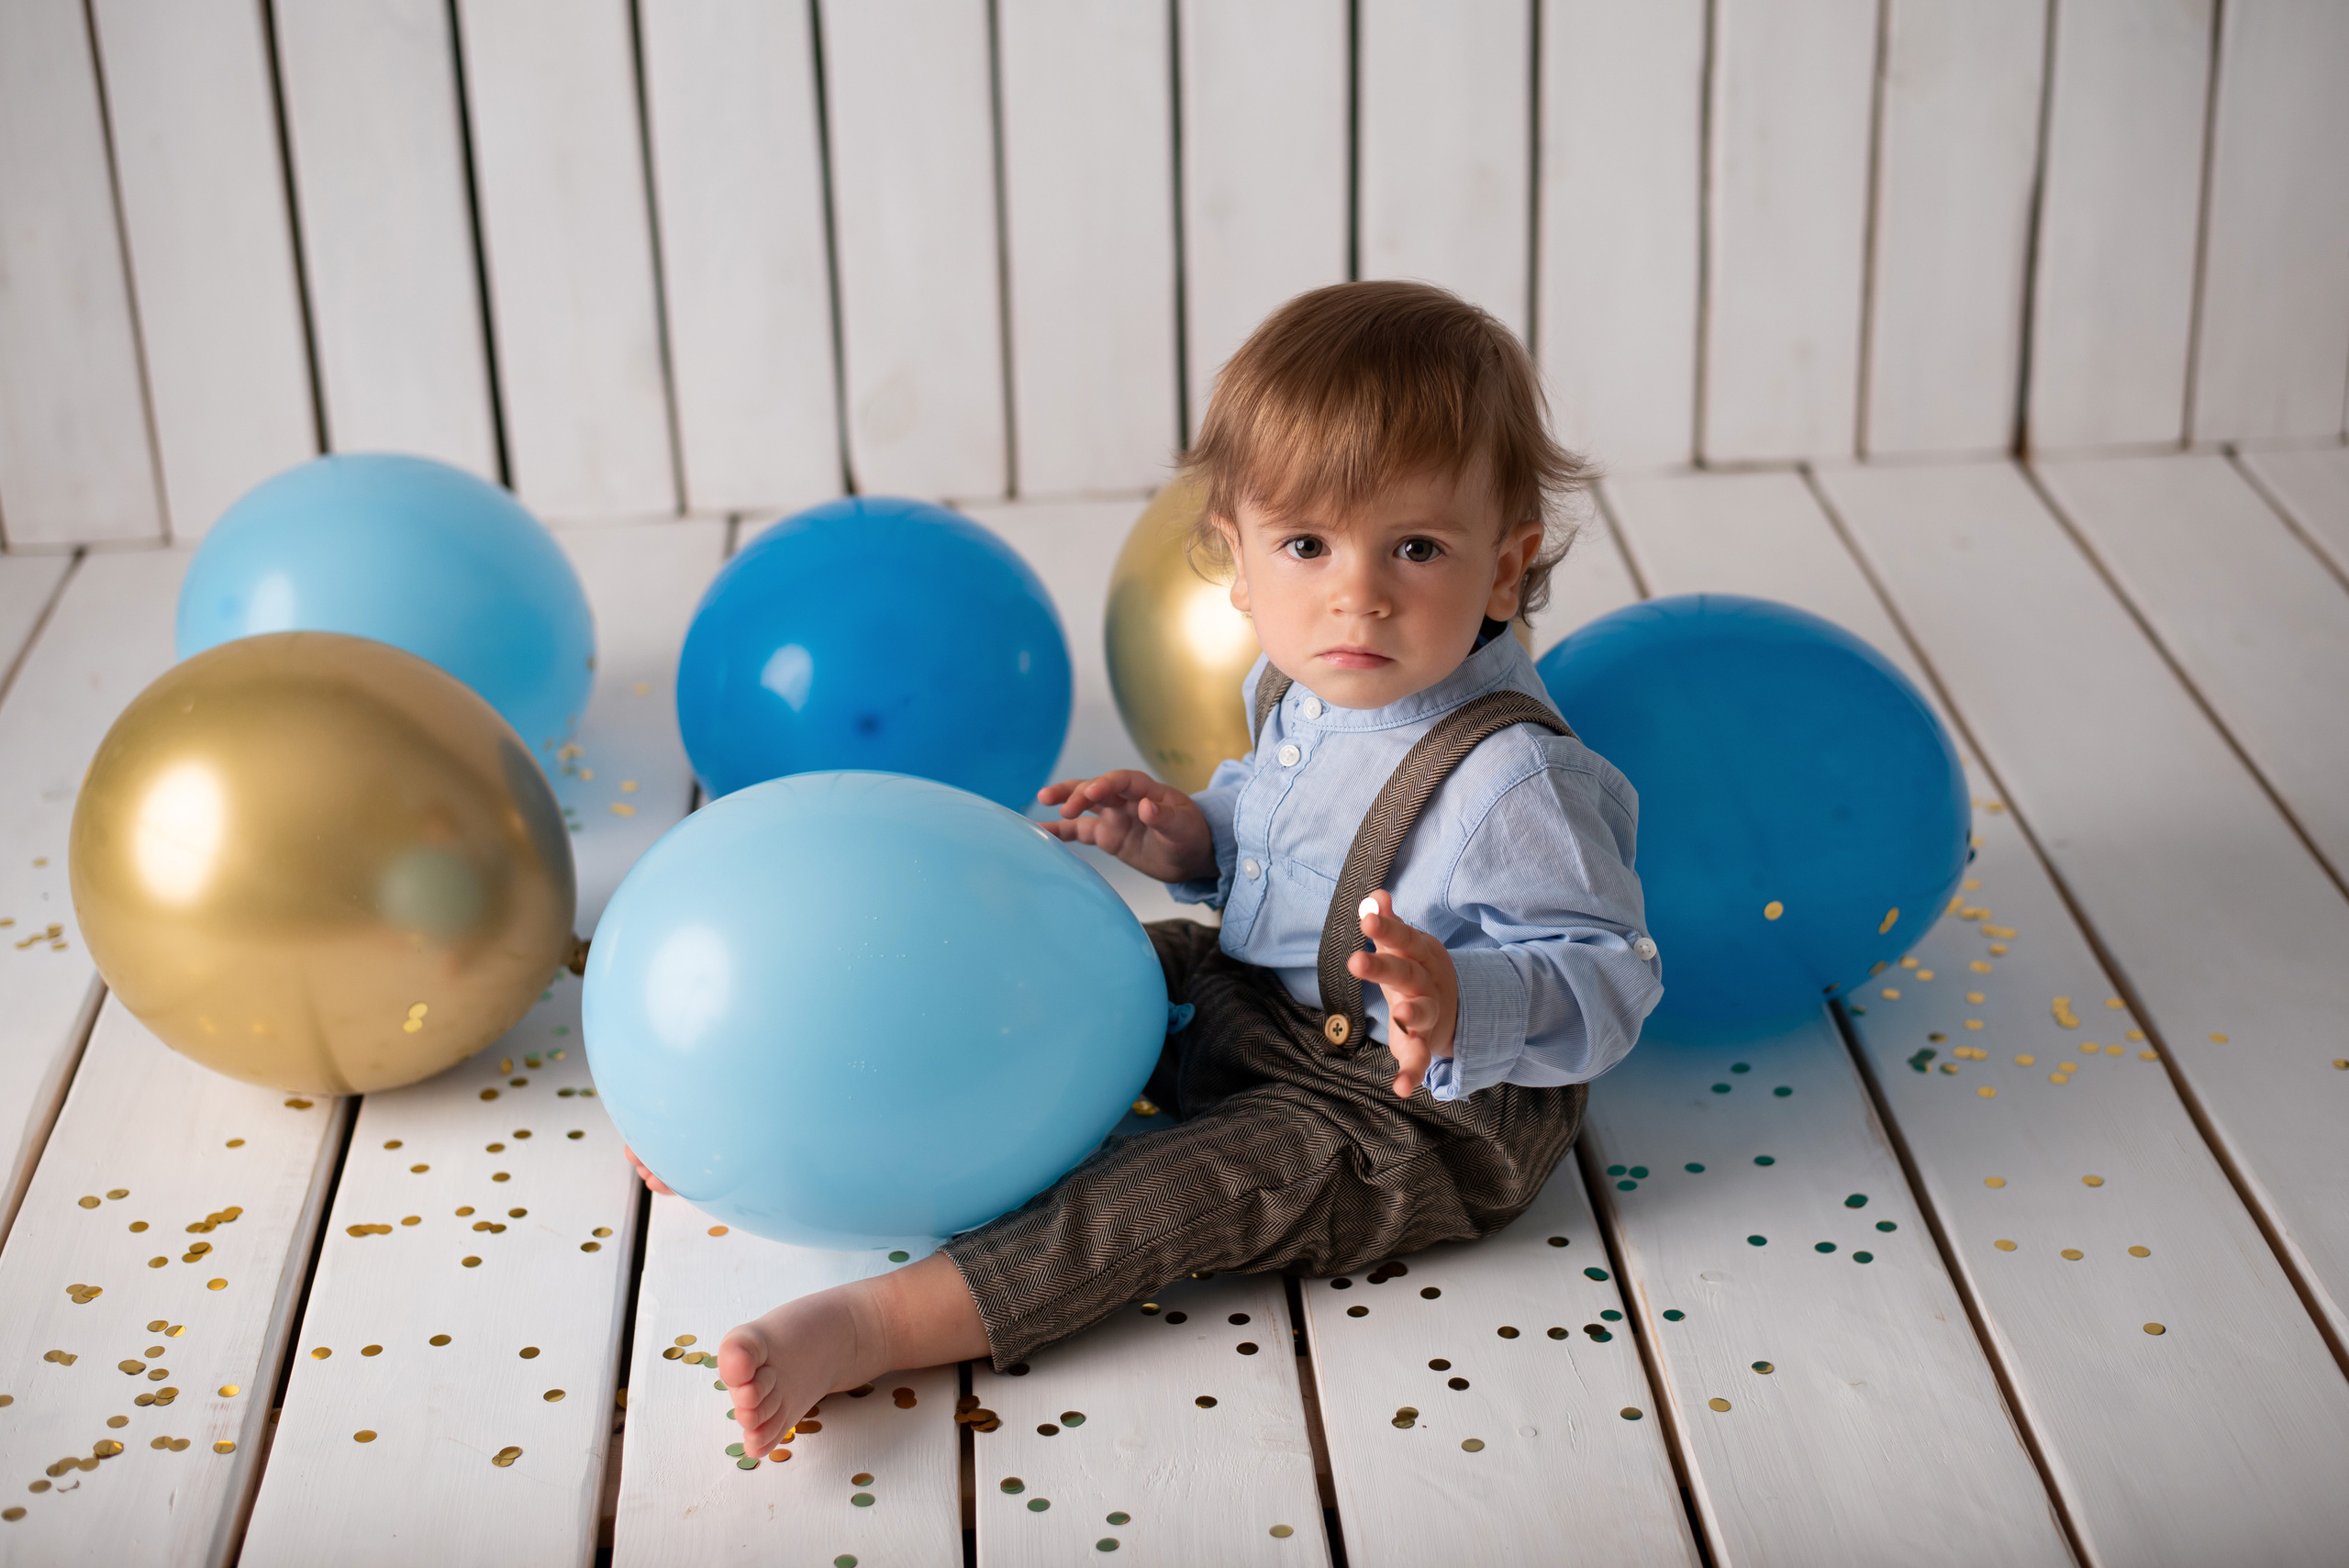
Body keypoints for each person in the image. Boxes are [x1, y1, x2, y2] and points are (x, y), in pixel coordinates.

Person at [626, 280, 1663, 1458]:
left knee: (1181, 1189)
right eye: (1307, 544)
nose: (1356, 591)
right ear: (1237, 557)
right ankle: (771, 1108)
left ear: (1502, 564)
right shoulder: (1303, 684)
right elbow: (1289, 843)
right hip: (1265, 991)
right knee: (1033, 968)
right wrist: (1189, 835)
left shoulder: (1513, 781)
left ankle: (876, 1322)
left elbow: (1611, 975)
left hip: (1410, 1112)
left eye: (1415, 547)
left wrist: (1460, 996)